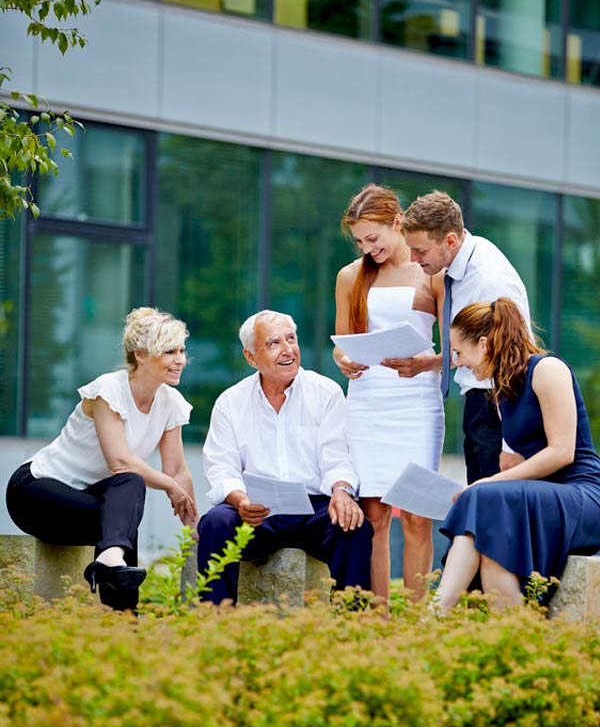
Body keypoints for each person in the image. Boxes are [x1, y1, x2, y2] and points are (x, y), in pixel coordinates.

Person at [6, 307, 198, 611]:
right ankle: (123, 613)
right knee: (124, 502)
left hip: (87, 503)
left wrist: (192, 521)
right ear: (141, 354)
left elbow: (175, 469)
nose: (180, 360)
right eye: (169, 351)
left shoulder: (170, 402)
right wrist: (170, 488)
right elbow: (119, 462)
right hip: (35, 492)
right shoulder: (108, 391)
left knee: (122, 511)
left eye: (182, 351)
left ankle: (119, 604)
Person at [434, 298, 600, 612]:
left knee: (484, 497)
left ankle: (436, 613)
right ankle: (512, 638)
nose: (458, 361)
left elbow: (562, 453)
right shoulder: (503, 388)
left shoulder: (548, 369)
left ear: (483, 344)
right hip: (545, 495)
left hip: (582, 494)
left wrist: (489, 483)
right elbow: (526, 460)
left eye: (458, 352)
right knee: (492, 535)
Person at [196, 309, 373, 604]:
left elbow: (337, 456)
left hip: (314, 509)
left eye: (291, 339)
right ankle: (214, 623)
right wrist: (240, 501)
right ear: (251, 357)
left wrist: (342, 491)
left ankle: (350, 629)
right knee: (215, 523)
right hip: (256, 510)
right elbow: (220, 467)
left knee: (354, 527)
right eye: (274, 343)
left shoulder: (326, 392)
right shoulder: (230, 402)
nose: (288, 350)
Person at [334, 183, 444, 602]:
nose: (368, 247)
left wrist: (424, 363)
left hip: (416, 400)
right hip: (367, 400)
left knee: (417, 516)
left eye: (374, 238)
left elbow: (452, 349)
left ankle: (416, 621)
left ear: (398, 224)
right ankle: (377, 620)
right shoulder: (351, 276)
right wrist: (343, 358)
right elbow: (342, 341)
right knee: (374, 516)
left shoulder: (429, 273)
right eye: (360, 240)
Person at [402, 190, 531, 484]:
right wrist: (428, 364)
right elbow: (477, 349)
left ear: (450, 240)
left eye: (420, 251)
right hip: (479, 404)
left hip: (497, 411)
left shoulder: (488, 280)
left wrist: (508, 445)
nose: (412, 259)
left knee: (490, 514)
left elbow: (514, 361)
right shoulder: (466, 257)